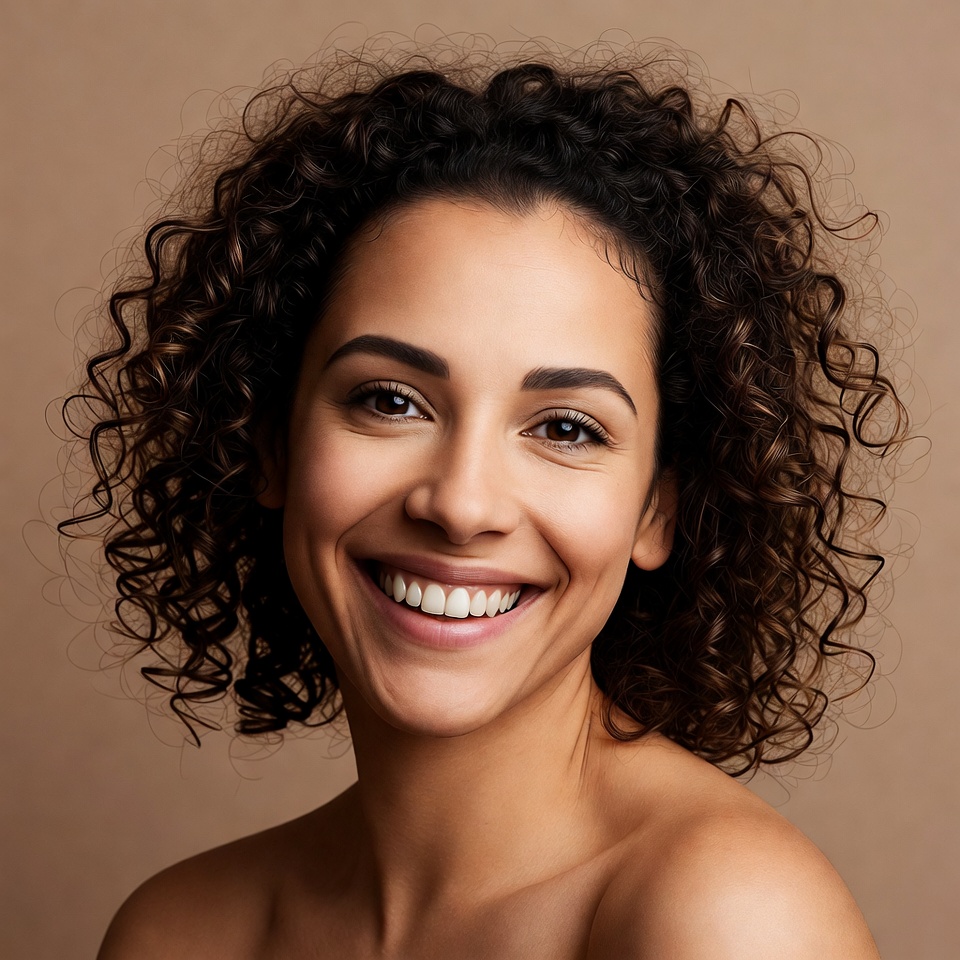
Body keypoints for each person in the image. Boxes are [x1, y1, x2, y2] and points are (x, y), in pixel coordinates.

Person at [65, 39, 906, 959]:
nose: (462, 506)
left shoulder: (728, 919)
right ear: (268, 444)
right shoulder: (180, 934)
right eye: (390, 401)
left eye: (566, 428)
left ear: (657, 510)